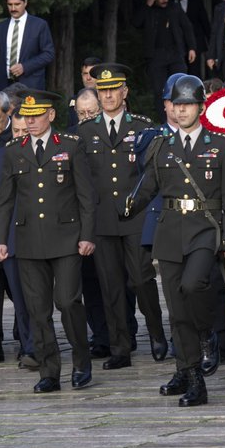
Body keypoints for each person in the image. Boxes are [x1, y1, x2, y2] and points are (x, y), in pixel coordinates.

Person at [123, 76, 225, 405]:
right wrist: (125, 207)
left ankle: (207, 334)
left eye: (188, 104)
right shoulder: (162, 146)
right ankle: (193, 378)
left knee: (192, 287)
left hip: (205, 229)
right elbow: (147, 187)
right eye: (177, 105)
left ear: (201, 107)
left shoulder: (221, 145)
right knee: (176, 310)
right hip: (171, 230)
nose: (182, 110)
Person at [0, 90, 96, 392]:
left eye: (37, 115)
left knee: (67, 301)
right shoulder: (14, 150)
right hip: (28, 241)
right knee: (38, 309)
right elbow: (5, 200)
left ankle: (81, 362)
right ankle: (49, 370)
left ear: (51, 115)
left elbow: (86, 196)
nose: (32, 121)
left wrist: (87, 235)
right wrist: (0, 239)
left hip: (66, 238)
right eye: (27, 116)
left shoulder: (71, 146)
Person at [78, 64, 166, 366]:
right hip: (102, 220)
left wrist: (141, 205)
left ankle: (157, 334)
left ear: (125, 92)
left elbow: (153, 175)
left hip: (135, 217)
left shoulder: (142, 127)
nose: (108, 96)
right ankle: (120, 348)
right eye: (103, 91)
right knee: (110, 286)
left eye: (113, 90)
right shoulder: (85, 131)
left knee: (141, 280)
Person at [0, 111, 37, 368]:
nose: (20, 136)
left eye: (25, 131)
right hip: (11, 240)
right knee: (21, 299)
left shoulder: (51, 153)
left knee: (42, 297)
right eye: (16, 131)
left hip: (45, 238)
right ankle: (30, 349)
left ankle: (43, 343)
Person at [136, 0, 194, 100]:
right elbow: (136, 22)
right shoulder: (148, 10)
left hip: (175, 52)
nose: (164, 0)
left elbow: (187, 27)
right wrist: (148, 5)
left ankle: (181, 114)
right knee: (159, 90)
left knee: (181, 85)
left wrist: (192, 47)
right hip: (156, 54)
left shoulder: (174, 8)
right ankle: (164, 117)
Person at [0, 0, 55, 91]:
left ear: (25, 3)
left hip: (30, 85)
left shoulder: (39, 25)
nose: (13, 8)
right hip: (3, 86)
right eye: (10, 4)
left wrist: (25, 67)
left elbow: (49, 54)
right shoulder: (0, 27)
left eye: (17, 4)